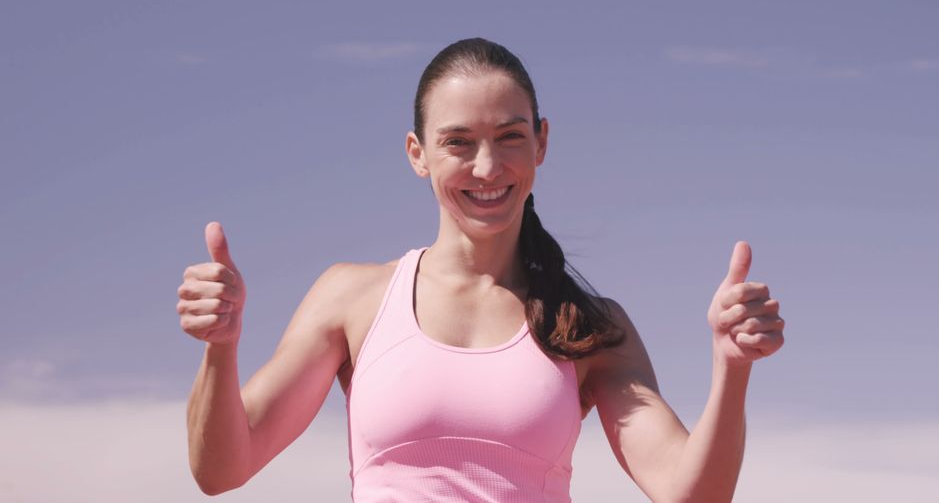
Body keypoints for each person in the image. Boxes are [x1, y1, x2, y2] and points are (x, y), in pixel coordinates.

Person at [176, 37, 785, 502]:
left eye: (510, 136)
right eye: (458, 142)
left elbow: (691, 492)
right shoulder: (353, 298)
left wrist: (730, 370)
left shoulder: (590, 327)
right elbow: (222, 468)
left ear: (542, 143)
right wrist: (220, 350)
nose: (487, 167)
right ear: (418, 154)